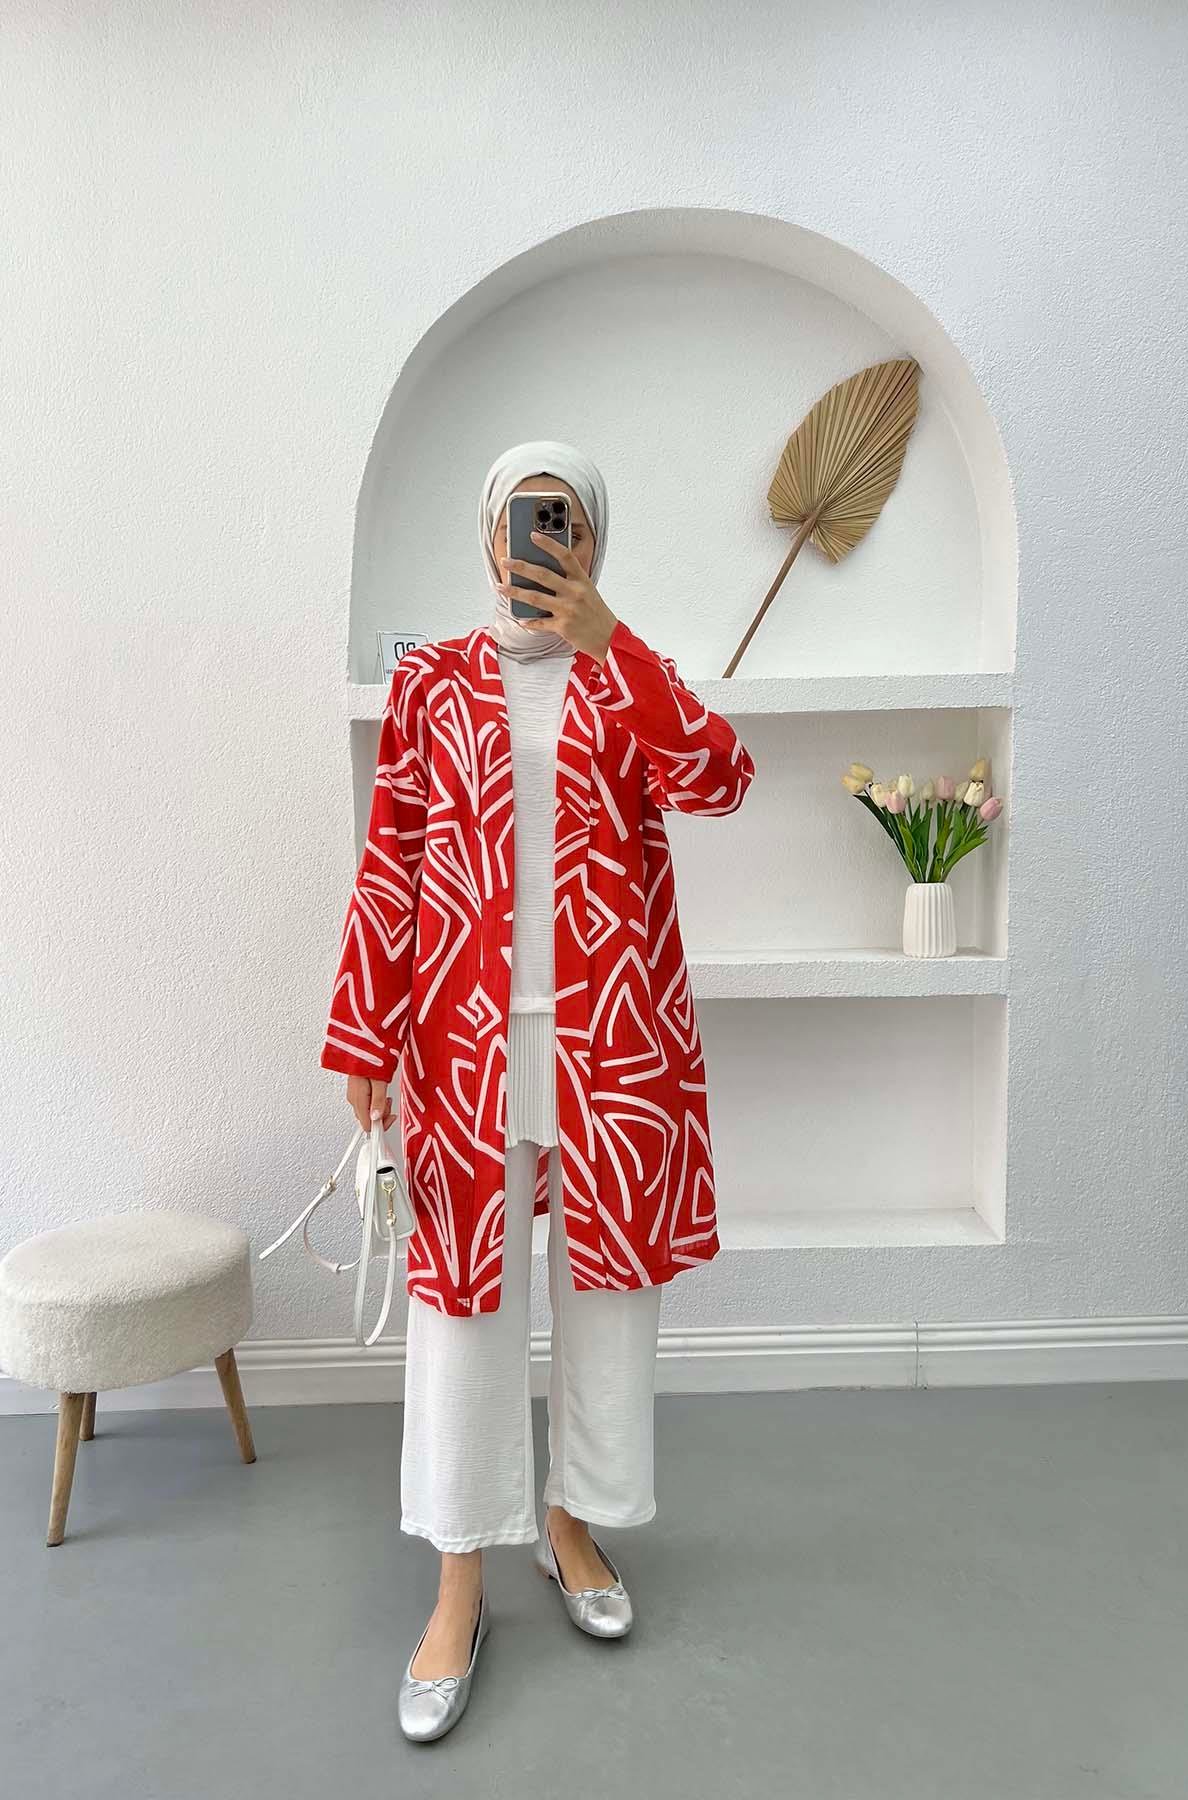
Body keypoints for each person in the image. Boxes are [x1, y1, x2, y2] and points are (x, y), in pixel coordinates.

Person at [320, 440, 756, 1742]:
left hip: (613, 1050)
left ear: (595, 543)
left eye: (567, 523)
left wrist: (614, 641)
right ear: (488, 536)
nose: (544, 543)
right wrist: (363, 1034)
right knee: (463, 1313)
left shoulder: (631, 677)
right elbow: (392, 864)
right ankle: (459, 1586)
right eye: (524, 520)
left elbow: (720, 780)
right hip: (463, 1048)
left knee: (608, 1300)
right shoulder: (432, 685)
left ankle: (570, 1525)